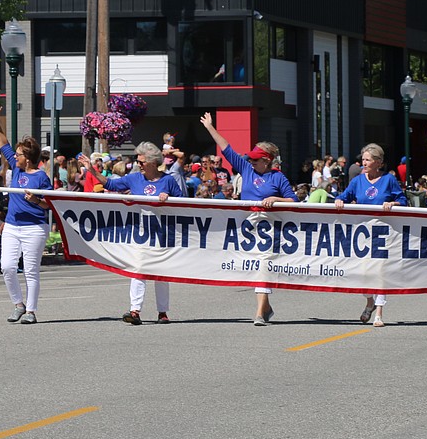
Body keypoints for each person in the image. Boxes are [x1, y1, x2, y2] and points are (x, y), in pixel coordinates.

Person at [199, 111, 297, 325]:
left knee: (263, 268)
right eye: (250, 159)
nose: (250, 162)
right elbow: (226, 149)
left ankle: (260, 313)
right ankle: (266, 306)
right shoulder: (245, 169)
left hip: (270, 231)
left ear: (266, 161)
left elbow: (294, 201)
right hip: (247, 230)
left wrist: (276, 198)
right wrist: (210, 127)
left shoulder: (277, 177)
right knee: (255, 269)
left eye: (255, 160)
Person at [97, 140, 183, 325]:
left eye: (142, 161)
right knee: (138, 270)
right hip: (140, 233)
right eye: (138, 160)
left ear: (153, 162)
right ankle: (134, 310)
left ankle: (162, 312)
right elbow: (111, 185)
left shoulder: (168, 180)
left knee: (161, 274)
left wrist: (169, 199)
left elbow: (183, 205)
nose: (138, 164)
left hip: (162, 233)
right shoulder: (134, 178)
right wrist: (91, 170)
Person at [0, 105, 52, 325]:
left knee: (31, 270)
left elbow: (50, 205)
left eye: (18, 155)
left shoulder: (41, 178)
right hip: (12, 225)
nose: (14, 157)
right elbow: (3, 144)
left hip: (34, 227)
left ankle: (31, 311)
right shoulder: (16, 169)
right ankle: (18, 304)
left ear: (28, 158)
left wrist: (35, 200)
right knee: (7, 266)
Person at [334, 143, 406, 327]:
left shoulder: (388, 180)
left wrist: (393, 204)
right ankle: (369, 301)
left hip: (383, 232)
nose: (363, 163)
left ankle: (379, 313)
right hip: (362, 232)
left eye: (367, 160)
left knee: (380, 271)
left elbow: (402, 200)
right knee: (363, 272)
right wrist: (339, 201)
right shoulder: (358, 180)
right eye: (363, 159)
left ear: (378, 162)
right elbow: (345, 196)